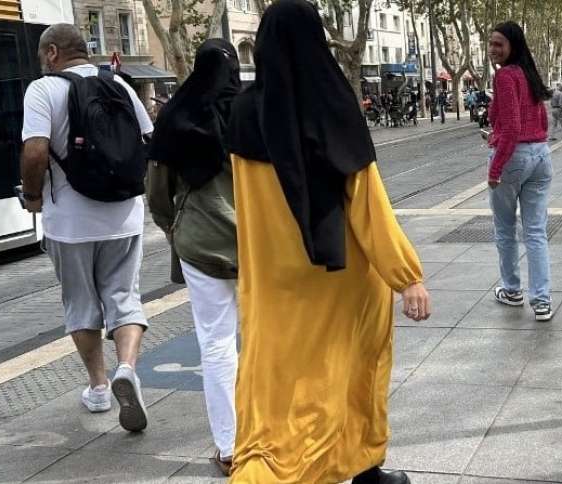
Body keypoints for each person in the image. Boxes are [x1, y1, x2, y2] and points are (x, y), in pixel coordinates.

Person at [226, 1, 432, 482]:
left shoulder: (241, 111)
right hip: (339, 280)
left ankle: (269, 470)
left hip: (273, 280)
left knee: (279, 387)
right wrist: (408, 278)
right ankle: (358, 467)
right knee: (351, 372)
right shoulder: (332, 105)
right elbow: (368, 206)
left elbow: (246, 204)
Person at [20, 24, 151, 430]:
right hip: (124, 214)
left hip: (70, 222)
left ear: (53, 52)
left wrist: (33, 197)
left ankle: (97, 387)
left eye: (44, 54)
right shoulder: (121, 86)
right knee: (124, 297)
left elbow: (36, 149)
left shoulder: (42, 89)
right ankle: (126, 368)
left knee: (81, 303)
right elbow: (148, 138)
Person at [146, 39, 240, 476]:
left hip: (201, 246)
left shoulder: (176, 115)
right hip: (259, 246)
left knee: (217, 343)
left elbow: (158, 194)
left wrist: (177, 230)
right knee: (261, 341)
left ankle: (229, 445)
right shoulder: (250, 111)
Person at [486, 21, 554, 322]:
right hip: (541, 155)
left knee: (504, 228)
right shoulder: (529, 72)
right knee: (536, 232)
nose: (493, 49)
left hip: (514, 158)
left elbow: (512, 126)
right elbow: (538, 120)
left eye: (499, 43)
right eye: (490, 43)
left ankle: (512, 290)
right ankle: (542, 301)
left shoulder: (505, 76)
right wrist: (496, 133)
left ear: (514, 45)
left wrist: (495, 168)